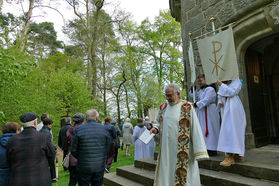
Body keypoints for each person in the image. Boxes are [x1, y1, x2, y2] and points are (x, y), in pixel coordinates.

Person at [150, 83, 208, 186]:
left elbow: (196, 128)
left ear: (178, 94)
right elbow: (158, 123)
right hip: (166, 149)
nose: (168, 98)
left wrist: (200, 151)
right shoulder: (163, 107)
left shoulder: (187, 107)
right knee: (167, 171)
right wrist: (155, 128)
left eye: (170, 95)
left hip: (183, 150)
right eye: (166, 95)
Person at [6, 112, 55, 186]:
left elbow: (9, 160)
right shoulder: (44, 137)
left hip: (18, 180)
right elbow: (51, 155)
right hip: (40, 179)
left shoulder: (12, 140)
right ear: (35, 123)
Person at [71, 109, 110, 186]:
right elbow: (108, 147)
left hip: (84, 165)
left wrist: (82, 157)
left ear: (86, 118)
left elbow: (73, 150)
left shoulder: (79, 129)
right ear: (96, 118)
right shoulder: (104, 129)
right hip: (99, 165)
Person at [217, 79, 247, 167]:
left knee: (235, 130)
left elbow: (232, 93)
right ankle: (230, 155)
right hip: (225, 108)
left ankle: (235, 155)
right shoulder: (223, 82)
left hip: (234, 107)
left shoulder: (237, 81)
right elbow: (220, 95)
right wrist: (219, 102)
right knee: (227, 131)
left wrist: (222, 84)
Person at [190, 74, 220, 156]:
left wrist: (196, 104)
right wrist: (193, 88)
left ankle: (212, 149)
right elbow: (194, 95)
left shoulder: (210, 89)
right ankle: (206, 148)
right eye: (198, 81)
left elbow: (207, 99)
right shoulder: (202, 90)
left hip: (210, 111)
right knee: (203, 129)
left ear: (207, 80)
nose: (199, 82)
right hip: (203, 112)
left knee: (211, 129)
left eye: (201, 80)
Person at [66, 113, 85, 186]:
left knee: (72, 180)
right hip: (82, 158)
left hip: (72, 158)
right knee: (83, 181)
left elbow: (67, 142)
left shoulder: (69, 130)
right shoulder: (84, 129)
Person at [40, 118, 57, 182]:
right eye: (51, 124)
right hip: (48, 151)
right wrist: (54, 149)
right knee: (52, 165)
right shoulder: (48, 133)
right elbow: (48, 143)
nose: (51, 125)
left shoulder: (40, 131)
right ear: (48, 124)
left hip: (42, 150)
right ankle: (53, 178)